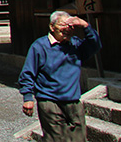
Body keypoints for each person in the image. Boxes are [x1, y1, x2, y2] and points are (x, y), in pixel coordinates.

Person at [18, 11, 102, 142]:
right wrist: (28, 97)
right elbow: (28, 73)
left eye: (71, 26)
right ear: (52, 27)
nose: (68, 29)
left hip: (73, 101)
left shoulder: (75, 45)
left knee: (79, 139)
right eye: (63, 25)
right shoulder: (40, 46)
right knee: (56, 139)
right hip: (49, 101)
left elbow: (95, 44)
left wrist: (85, 26)